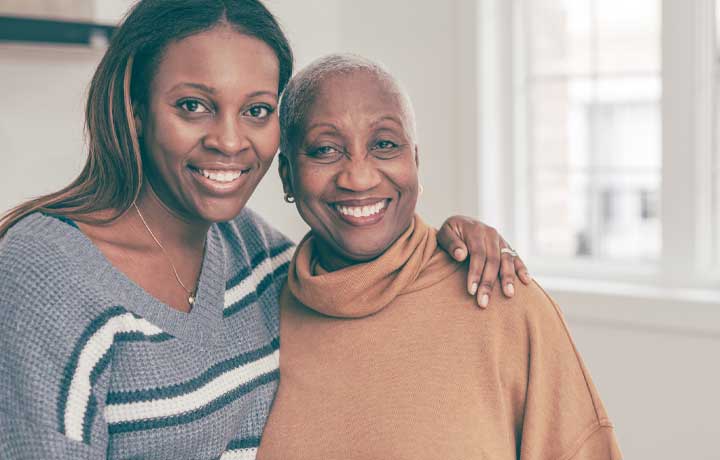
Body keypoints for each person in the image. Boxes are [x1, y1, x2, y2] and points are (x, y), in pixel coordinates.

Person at [0, 1, 529, 458]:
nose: (230, 141)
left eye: (256, 110)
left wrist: (449, 240)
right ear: (135, 109)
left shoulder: (257, 256)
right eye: (193, 107)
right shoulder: (41, 276)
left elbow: (363, 285)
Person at [256, 54, 623, 460]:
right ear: (287, 174)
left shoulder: (502, 303)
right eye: (325, 150)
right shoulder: (254, 314)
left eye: (384, 144)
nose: (358, 177)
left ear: (415, 160)